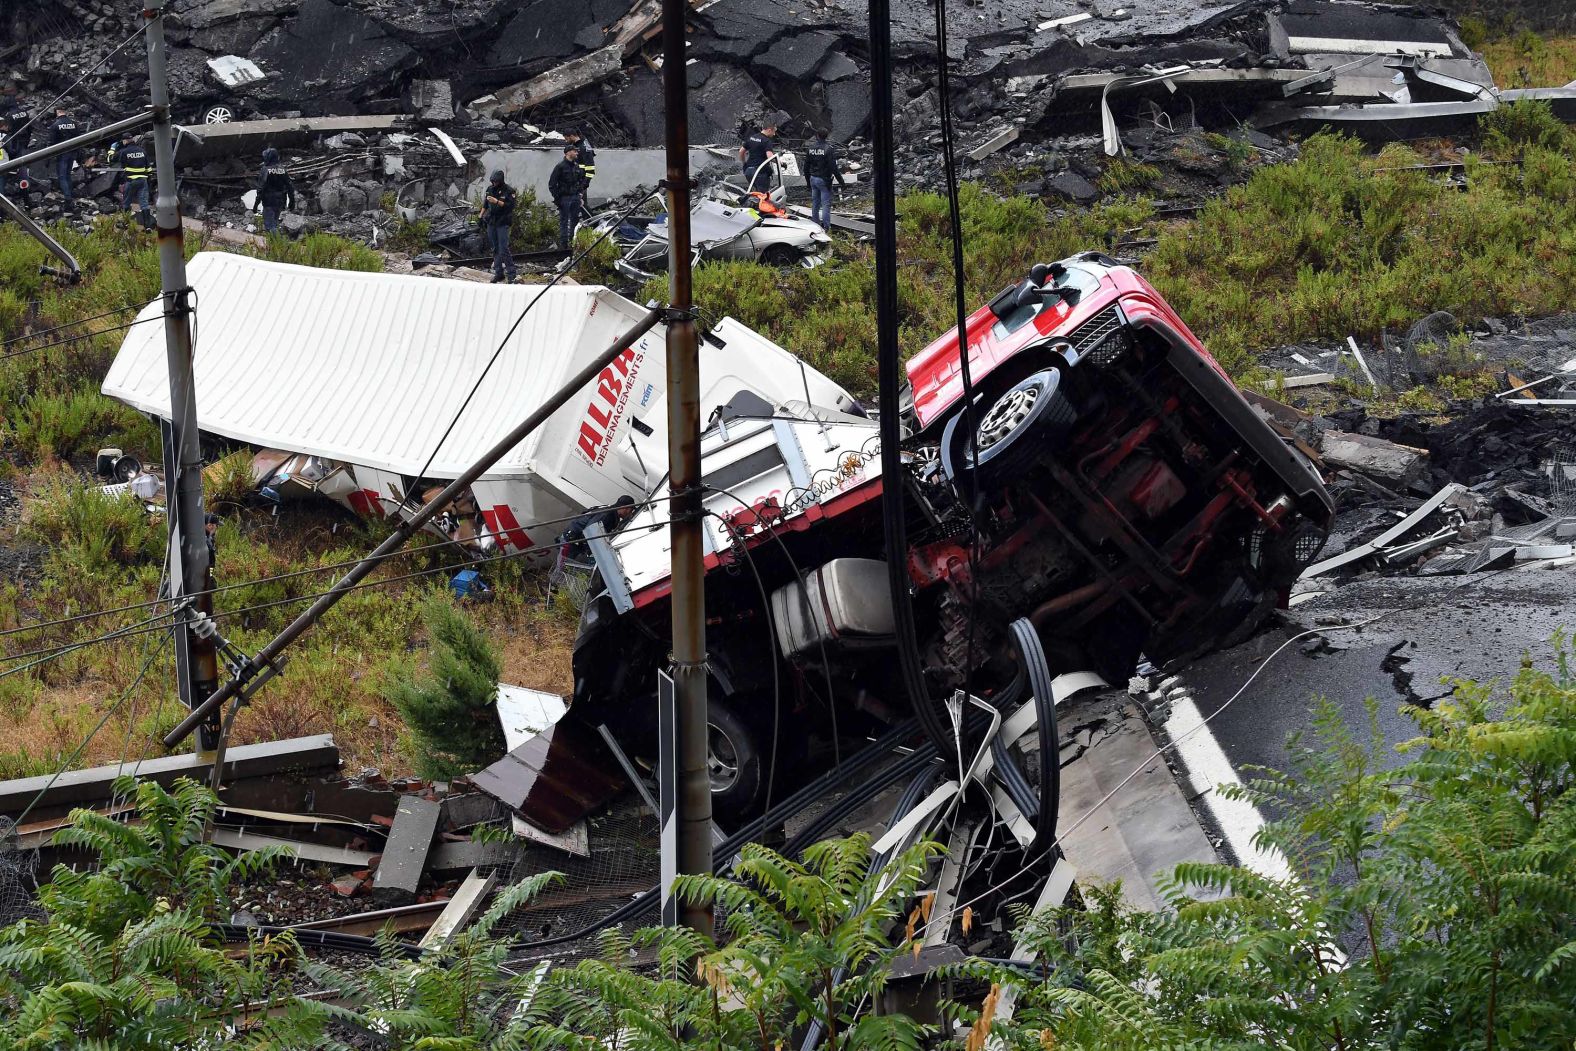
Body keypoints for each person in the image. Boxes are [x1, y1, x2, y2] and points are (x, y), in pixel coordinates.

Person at [479, 169, 518, 282]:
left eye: (496, 181)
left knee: (503, 248)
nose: (494, 183)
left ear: (500, 180)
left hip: (503, 221)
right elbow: (485, 204)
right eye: (492, 181)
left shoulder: (509, 191)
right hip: (492, 221)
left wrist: (496, 201)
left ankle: (511, 273)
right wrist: (480, 216)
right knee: (495, 248)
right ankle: (498, 272)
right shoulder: (490, 189)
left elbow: (510, 206)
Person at [804, 127, 845, 232]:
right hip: (824, 180)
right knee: (826, 204)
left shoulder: (810, 148)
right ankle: (826, 228)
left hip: (813, 178)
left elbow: (806, 167)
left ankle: (815, 226)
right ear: (826, 136)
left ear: (817, 136)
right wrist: (841, 182)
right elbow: (833, 168)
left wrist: (808, 182)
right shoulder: (828, 149)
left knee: (815, 203)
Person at [547, 145, 584, 252]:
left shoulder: (576, 166)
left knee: (575, 221)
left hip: (575, 197)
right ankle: (564, 245)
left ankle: (572, 243)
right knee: (564, 221)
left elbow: (580, 180)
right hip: (564, 198)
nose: (577, 153)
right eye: (574, 151)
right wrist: (557, 198)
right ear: (568, 153)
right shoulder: (560, 167)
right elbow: (552, 184)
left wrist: (580, 194)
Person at [254, 147, 296, 233]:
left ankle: (278, 244)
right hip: (280, 201)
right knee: (274, 223)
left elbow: (260, 188)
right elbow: (290, 186)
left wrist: (256, 204)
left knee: (270, 226)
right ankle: (274, 244)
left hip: (269, 201)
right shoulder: (282, 169)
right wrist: (292, 201)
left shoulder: (265, 170)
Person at [47, 106, 82, 202]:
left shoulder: (55, 125)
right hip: (72, 152)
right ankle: (70, 193)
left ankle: (68, 198)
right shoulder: (74, 124)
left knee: (62, 176)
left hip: (62, 154)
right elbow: (79, 140)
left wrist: (48, 158)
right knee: (67, 174)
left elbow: (52, 142)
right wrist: (79, 154)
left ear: (57, 113)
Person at [117, 135, 153, 226]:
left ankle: (126, 224)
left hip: (130, 180)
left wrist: (112, 149)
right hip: (142, 180)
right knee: (144, 203)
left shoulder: (124, 152)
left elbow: (120, 164)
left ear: (125, 141)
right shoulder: (142, 151)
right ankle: (147, 226)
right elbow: (148, 169)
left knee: (126, 202)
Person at [738, 120, 776, 189]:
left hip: (748, 171)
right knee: (763, 196)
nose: (774, 134)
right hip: (760, 172)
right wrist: (781, 163)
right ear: (769, 130)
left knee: (755, 193)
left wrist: (744, 163)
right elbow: (770, 157)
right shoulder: (767, 141)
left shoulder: (752, 137)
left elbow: (741, 151)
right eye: (774, 131)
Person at [565, 129, 596, 210]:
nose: (566, 141)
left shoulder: (584, 147)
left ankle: (592, 221)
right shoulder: (574, 146)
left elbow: (590, 169)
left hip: (581, 182)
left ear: (571, 136)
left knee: (582, 206)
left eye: (567, 138)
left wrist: (584, 185)